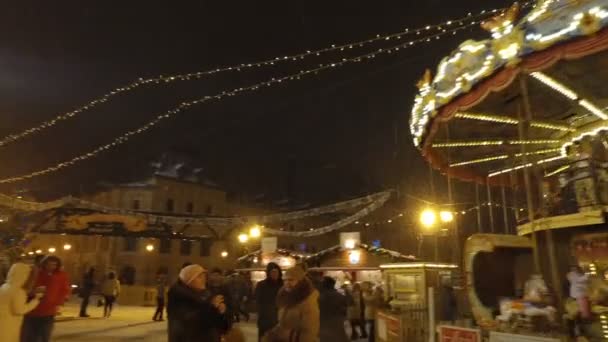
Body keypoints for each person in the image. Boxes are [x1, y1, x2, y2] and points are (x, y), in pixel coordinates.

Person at [167, 264, 229, 342]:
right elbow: (192, 324)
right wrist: (211, 307)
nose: (204, 279)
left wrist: (220, 312)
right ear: (189, 280)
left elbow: (219, 325)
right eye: (199, 277)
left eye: (204, 276)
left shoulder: (206, 294)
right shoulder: (179, 297)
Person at [262, 264, 319, 342]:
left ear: (300, 282)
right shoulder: (287, 298)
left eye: (291, 280)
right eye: (285, 280)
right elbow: (283, 323)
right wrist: (272, 333)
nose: (287, 283)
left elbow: (310, 334)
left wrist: (285, 334)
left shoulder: (308, 302)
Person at [22, 255, 71, 342]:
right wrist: (34, 291)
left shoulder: (61, 275)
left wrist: (58, 302)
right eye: (49, 264)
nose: (51, 267)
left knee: (45, 335)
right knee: (30, 336)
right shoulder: (37, 273)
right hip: (33, 309)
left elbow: (65, 290)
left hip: (49, 311)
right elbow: (27, 288)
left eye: (54, 265)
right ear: (44, 264)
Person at [0, 263, 43, 342]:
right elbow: (19, 310)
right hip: (9, 325)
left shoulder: (5, 286)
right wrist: (36, 300)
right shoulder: (19, 291)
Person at [255, 262, 283, 341]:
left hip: (280, 321)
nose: (275, 274)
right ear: (269, 273)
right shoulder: (261, 285)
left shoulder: (283, 285)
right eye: (273, 272)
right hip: (265, 321)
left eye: (276, 272)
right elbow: (258, 302)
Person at [319, 276, 349, 342]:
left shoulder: (320, 296)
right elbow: (344, 311)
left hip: (324, 326)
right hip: (337, 324)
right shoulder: (340, 296)